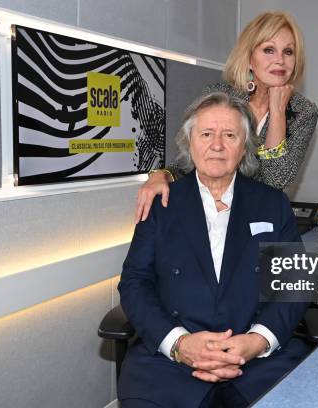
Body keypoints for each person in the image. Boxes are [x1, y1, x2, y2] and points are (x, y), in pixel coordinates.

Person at [117, 92, 308, 407]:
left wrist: (258, 341)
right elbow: (135, 282)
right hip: (171, 364)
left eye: (229, 135)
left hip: (259, 361)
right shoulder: (160, 205)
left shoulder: (272, 204)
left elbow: (294, 285)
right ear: (190, 142)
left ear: (244, 146)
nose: (217, 145)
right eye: (206, 134)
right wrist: (178, 343)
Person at [135, 10, 318, 223]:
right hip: (209, 215)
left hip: (262, 219)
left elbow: (275, 182)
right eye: (269, 50)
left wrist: (277, 112)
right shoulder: (219, 96)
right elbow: (190, 162)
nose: (280, 60)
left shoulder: (304, 112)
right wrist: (162, 175)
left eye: (288, 52)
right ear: (250, 59)